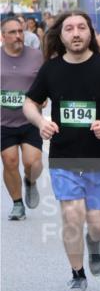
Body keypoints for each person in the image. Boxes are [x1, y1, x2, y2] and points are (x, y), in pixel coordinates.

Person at [22, 10, 100, 291]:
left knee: (99, 224)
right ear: (60, 35)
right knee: (72, 216)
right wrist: (42, 122)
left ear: (90, 33)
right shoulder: (51, 69)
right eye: (69, 28)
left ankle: (94, 243)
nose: (76, 33)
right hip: (64, 157)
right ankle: (77, 275)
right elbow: (29, 103)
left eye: (81, 27)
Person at [1, 15, 45, 220]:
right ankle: (17, 204)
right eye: (12, 32)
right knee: (9, 162)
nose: (18, 36)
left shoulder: (36, 55)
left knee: (32, 163)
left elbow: (46, 82)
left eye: (20, 31)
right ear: (3, 36)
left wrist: (44, 98)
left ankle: (30, 181)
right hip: (4, 121)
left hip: (30, 120)